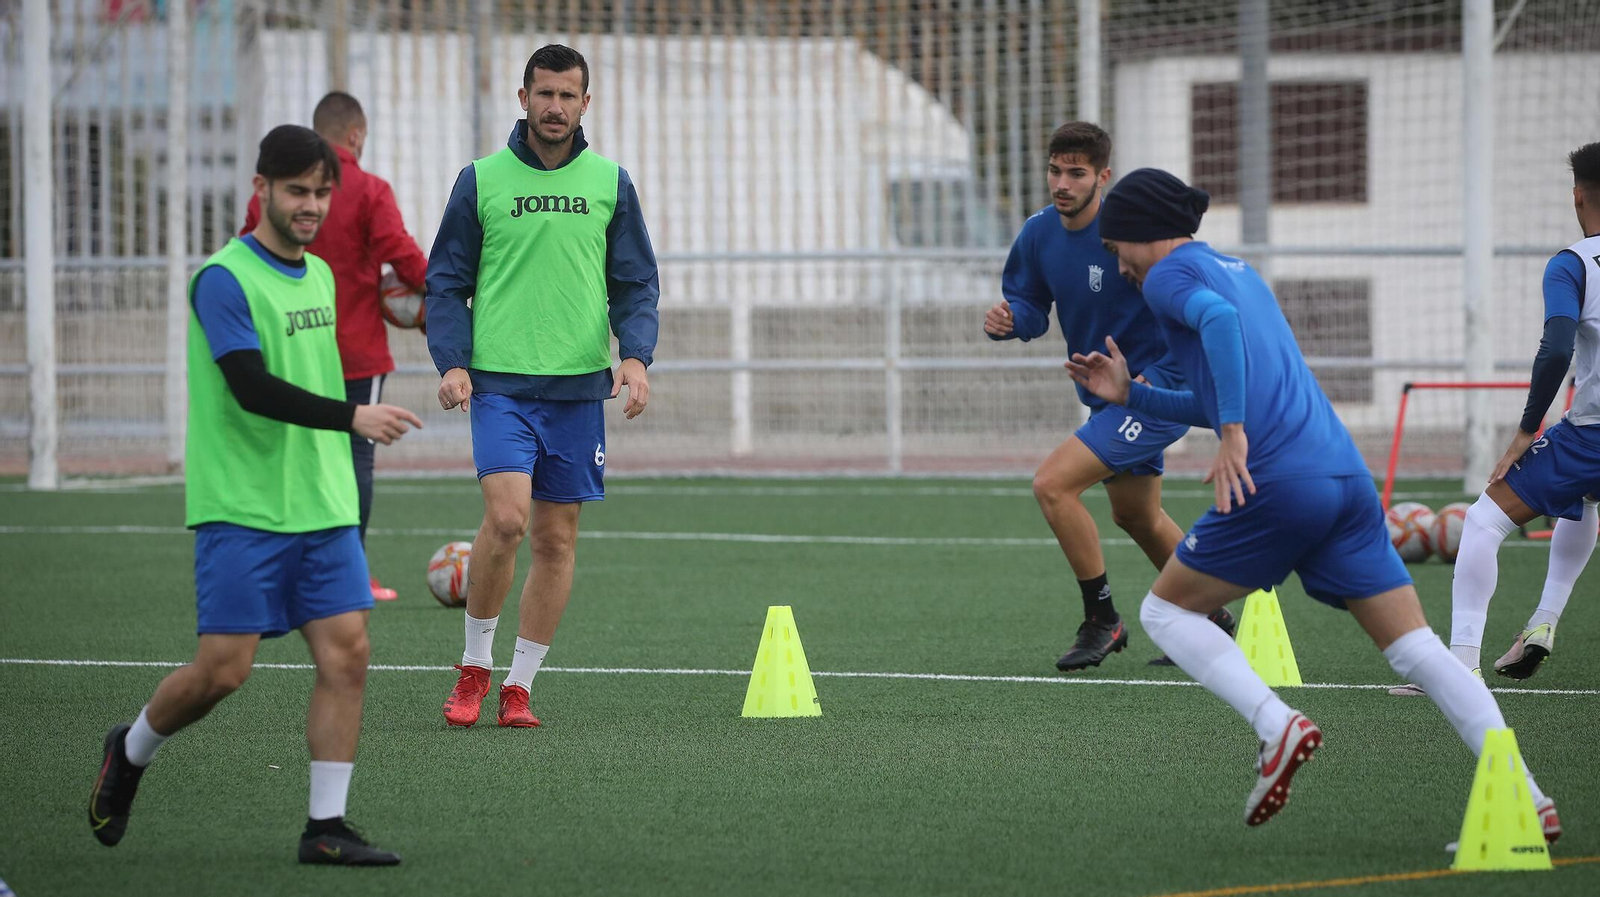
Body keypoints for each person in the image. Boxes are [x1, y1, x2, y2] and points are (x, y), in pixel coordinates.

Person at [1065, 168, 1560, 839]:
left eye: (1116, 246)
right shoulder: (1238, 271)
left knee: (1165, 609)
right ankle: (1525, 794)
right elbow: (1222, 388)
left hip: (1281, 479)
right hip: (1343, 476)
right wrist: (1133, 395)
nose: (1118, 264)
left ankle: (1277, 726)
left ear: (1141, 232)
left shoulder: (1168, 276)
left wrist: (1233, 433)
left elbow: (1218, 329)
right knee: (1417, 647)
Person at [89, 125, 422, 864]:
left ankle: (325, 828)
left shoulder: (322, 275)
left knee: (348, 654)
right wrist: (352, 416)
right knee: (224, 671)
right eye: (297, 191)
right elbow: (250, 387)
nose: (311, 206)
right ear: (261, 188)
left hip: (323, 503)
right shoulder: (222, 279)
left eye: (322, 193)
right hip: (243, 506)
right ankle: (132, 748)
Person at [426, 44, 660, 729]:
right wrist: (452, 361)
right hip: (499, 385)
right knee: (507, 520)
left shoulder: (611, 182)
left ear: (585, 103)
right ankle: (474, 667)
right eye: (545, 94)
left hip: (579, 391)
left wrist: (636, 357)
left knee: (556, 541)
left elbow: (634, 283)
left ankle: (518, 687)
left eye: (568, 95)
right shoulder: (481, 180)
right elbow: (446, 281)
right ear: (523, 97)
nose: (555, 107)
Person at [984, 122, 1232, 670]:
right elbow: (1030, 304)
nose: (1062, 183)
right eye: (1055, 171)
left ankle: (1102, 619)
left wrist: (1156, 380)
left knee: (1052, 485)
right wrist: (1011, 319)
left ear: (1103, 177)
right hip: (1108, 396)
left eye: (1076, 173)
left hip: (1156, 392)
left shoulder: (1131, 234)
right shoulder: (1038, 233)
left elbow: (1187, 310)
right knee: (1137, 516)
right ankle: (1210, 615)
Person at [1399, 143, 1600, 691]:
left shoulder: (1574, 263)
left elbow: (1556, 350)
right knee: (1584, 499)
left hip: (1591, 436)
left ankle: (1460, 666)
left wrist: (1525, 431)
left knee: (1484, 521)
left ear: (1577, 197)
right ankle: (1544, 621)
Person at [242, 91, 430, 603]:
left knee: (288, 455)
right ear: (355, 136)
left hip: (288, 347)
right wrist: (441, 301)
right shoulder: (369, 189)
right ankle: (349, 574)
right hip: (356, 351)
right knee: (355, 461)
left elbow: (249, 254)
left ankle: (279, 569)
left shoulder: (273, 196)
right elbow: (402, 255)